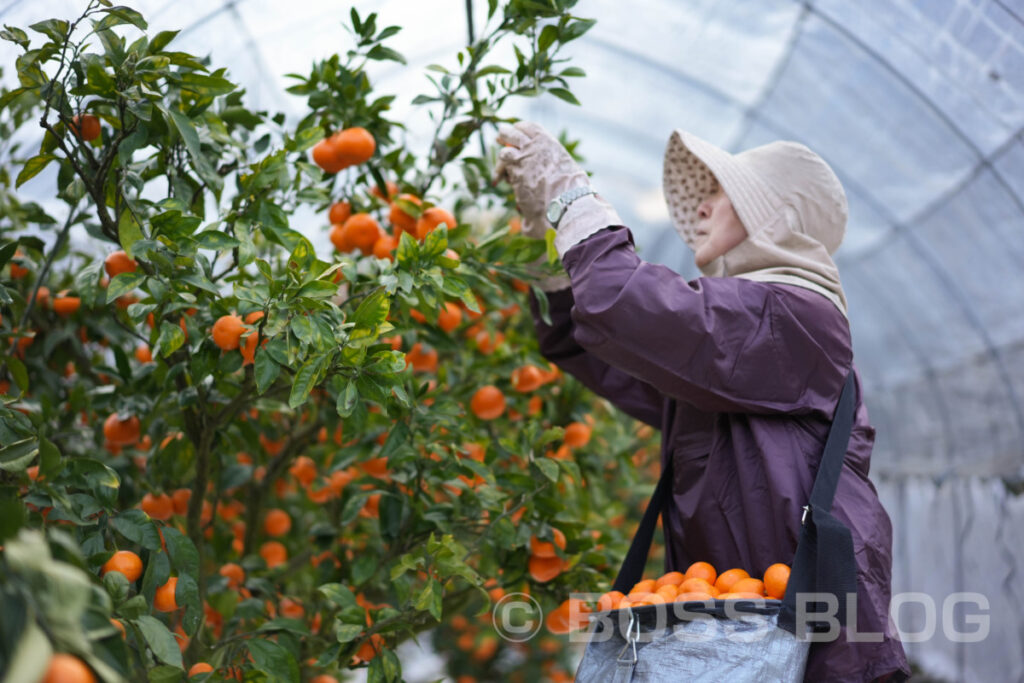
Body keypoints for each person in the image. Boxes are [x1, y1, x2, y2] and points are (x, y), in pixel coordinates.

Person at [493, 121, 911, 683]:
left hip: (800, 635)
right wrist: (546, 239)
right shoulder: (743, 338)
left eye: (724, 193)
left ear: (774, 215)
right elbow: (588, 339)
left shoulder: (795, 318)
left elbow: (624, 302)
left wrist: (571, 194)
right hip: (742, 627)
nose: (704, 208)